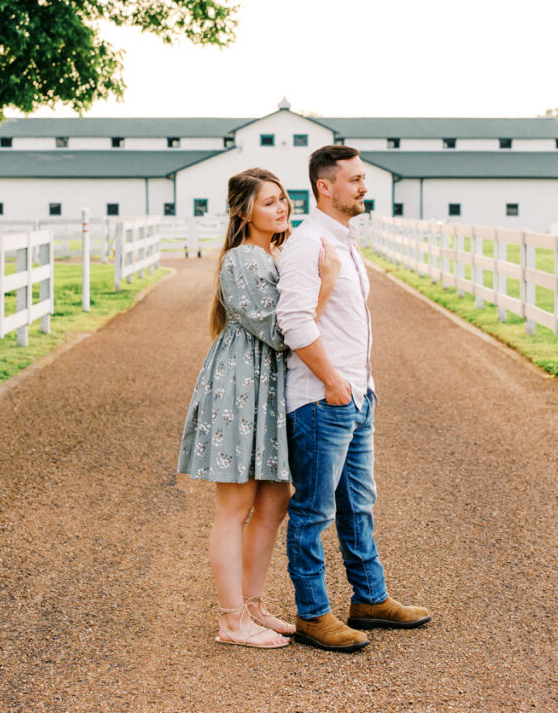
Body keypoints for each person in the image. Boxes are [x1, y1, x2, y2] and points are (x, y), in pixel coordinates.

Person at [276, 145, 431, 653]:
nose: (365, 186)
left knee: (358, 506)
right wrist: (336, 384)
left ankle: (370, 599)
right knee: (313, 512)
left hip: (355, 397)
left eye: (364, 178)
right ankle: (313, 615)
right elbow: (294, 322)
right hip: (324, 400)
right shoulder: (308, 245)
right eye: (355, 179)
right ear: (325, 186)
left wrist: (359, 385)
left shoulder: (345, 242)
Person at [178, 167, 339, 649]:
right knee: (236, 506)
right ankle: (231, 621)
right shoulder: (244, 259)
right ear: (243, 211)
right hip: (240, 390)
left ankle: (251, 605)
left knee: (273, 501)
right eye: (269, 202)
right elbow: (280, 330)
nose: (282, 207)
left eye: (283, 199)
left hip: (266, 390)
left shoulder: (274, 254)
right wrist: (325, 284)